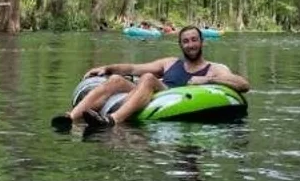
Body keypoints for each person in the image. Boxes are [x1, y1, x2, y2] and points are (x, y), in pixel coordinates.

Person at [52, 25, 250, 130]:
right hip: (154, 94)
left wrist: (207, 80)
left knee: (147, 78)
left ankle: (113, 120)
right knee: (116, 80)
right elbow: (133, 67)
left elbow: (243, 84)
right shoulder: (170, 62)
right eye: (186, 41)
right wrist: (107, 68)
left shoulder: (214, 68)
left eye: (194, 40)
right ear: (181, 45)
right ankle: (71, 117)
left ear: (202, 42)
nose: (190, 45)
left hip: (173, 96)